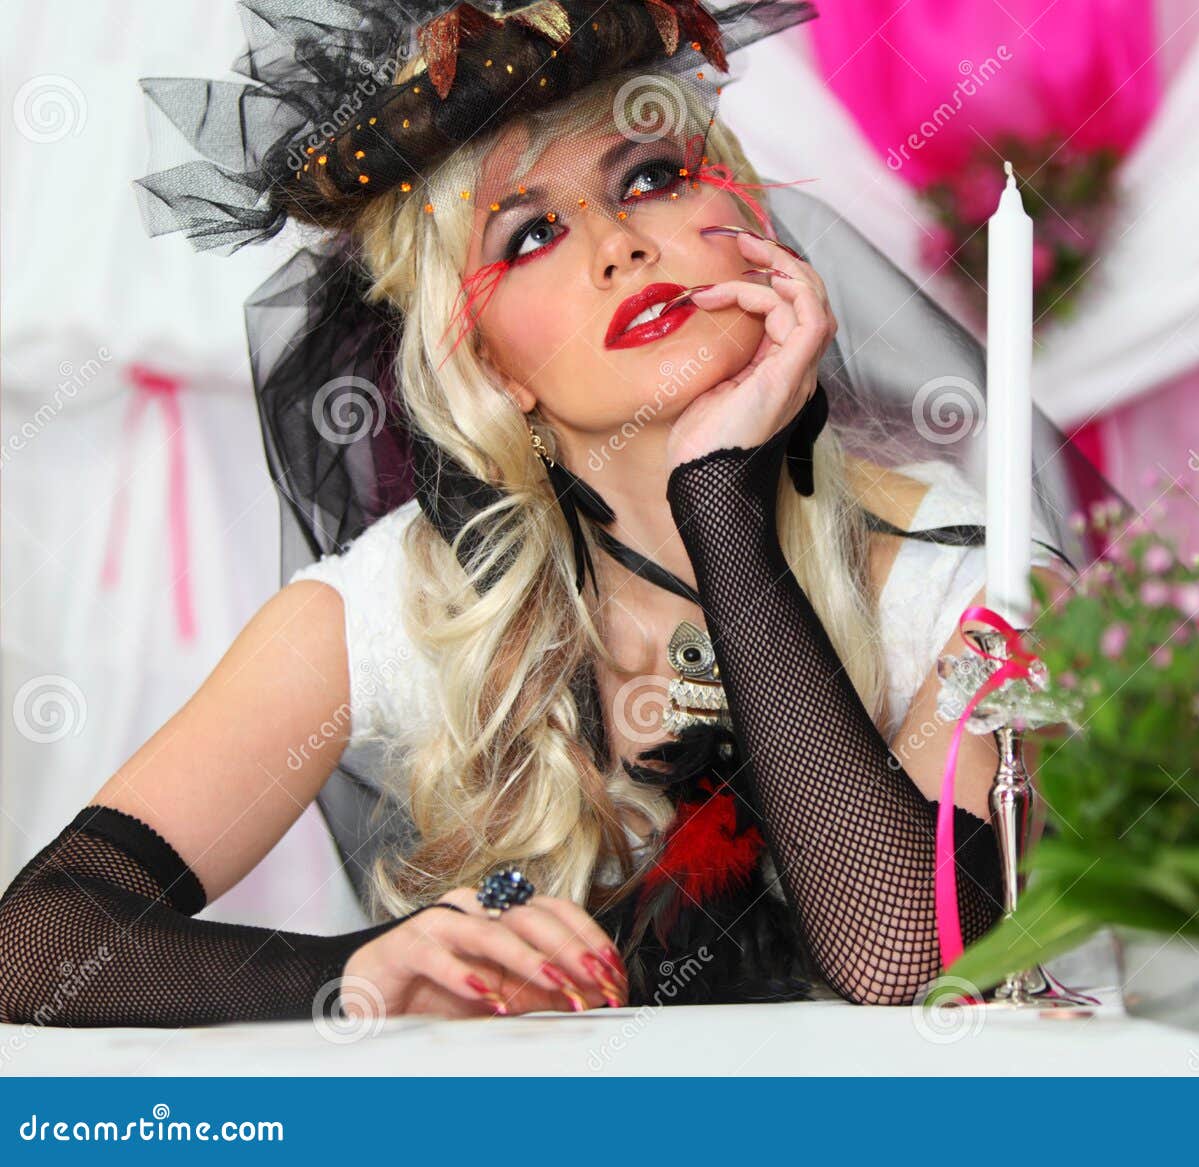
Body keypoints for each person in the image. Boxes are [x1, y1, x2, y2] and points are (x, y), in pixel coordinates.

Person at [0, 0, 1107, 1027]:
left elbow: (906, 960)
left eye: (651, 177)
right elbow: (33, 942)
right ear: (485, 361)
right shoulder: (405, 603)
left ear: (751, 220)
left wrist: (717, 496)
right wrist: (352, 971)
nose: (619, 245)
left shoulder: (969, 573)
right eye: (528, 235)